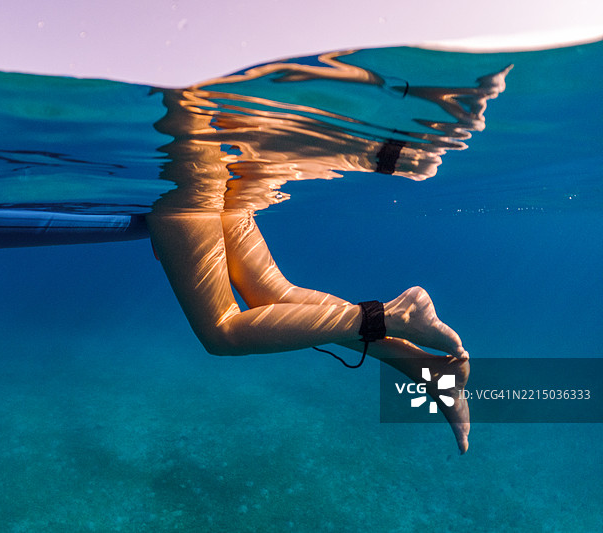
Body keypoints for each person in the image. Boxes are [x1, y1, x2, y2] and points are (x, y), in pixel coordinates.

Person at [146, 52, 510, 454]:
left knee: (222, 332)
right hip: (209, 182)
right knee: (272, 295)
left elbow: (184, 104)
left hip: (191, 190)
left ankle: (397, 316)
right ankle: (420, 365)